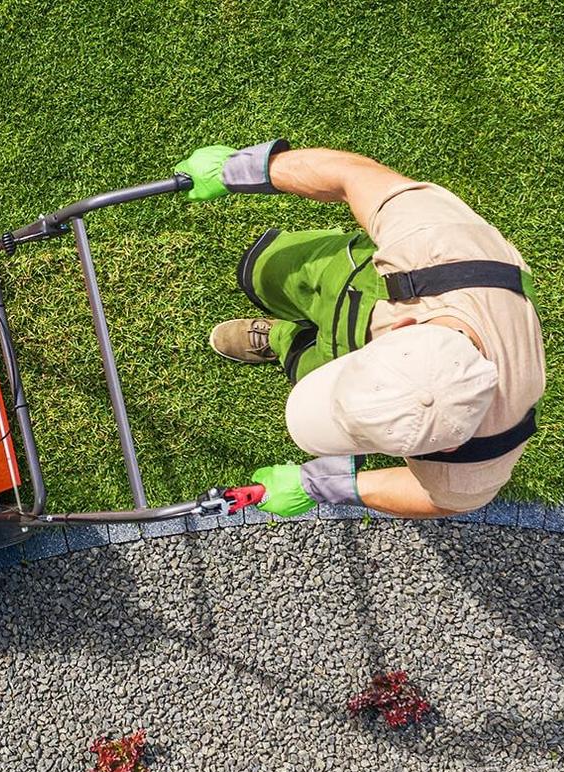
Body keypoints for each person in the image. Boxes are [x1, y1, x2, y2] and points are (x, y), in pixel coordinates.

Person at [173, 140, 545, 518]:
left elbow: (437, 499)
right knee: (264, 271)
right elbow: (353, 175)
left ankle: (280, 339)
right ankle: (277, 294)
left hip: (383, 317)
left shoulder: (478, 462)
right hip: (369, 282)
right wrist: (243, 169)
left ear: (448, 446)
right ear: (402, 325)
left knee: (305, 363)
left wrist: (321, 485)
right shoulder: (437, 242)